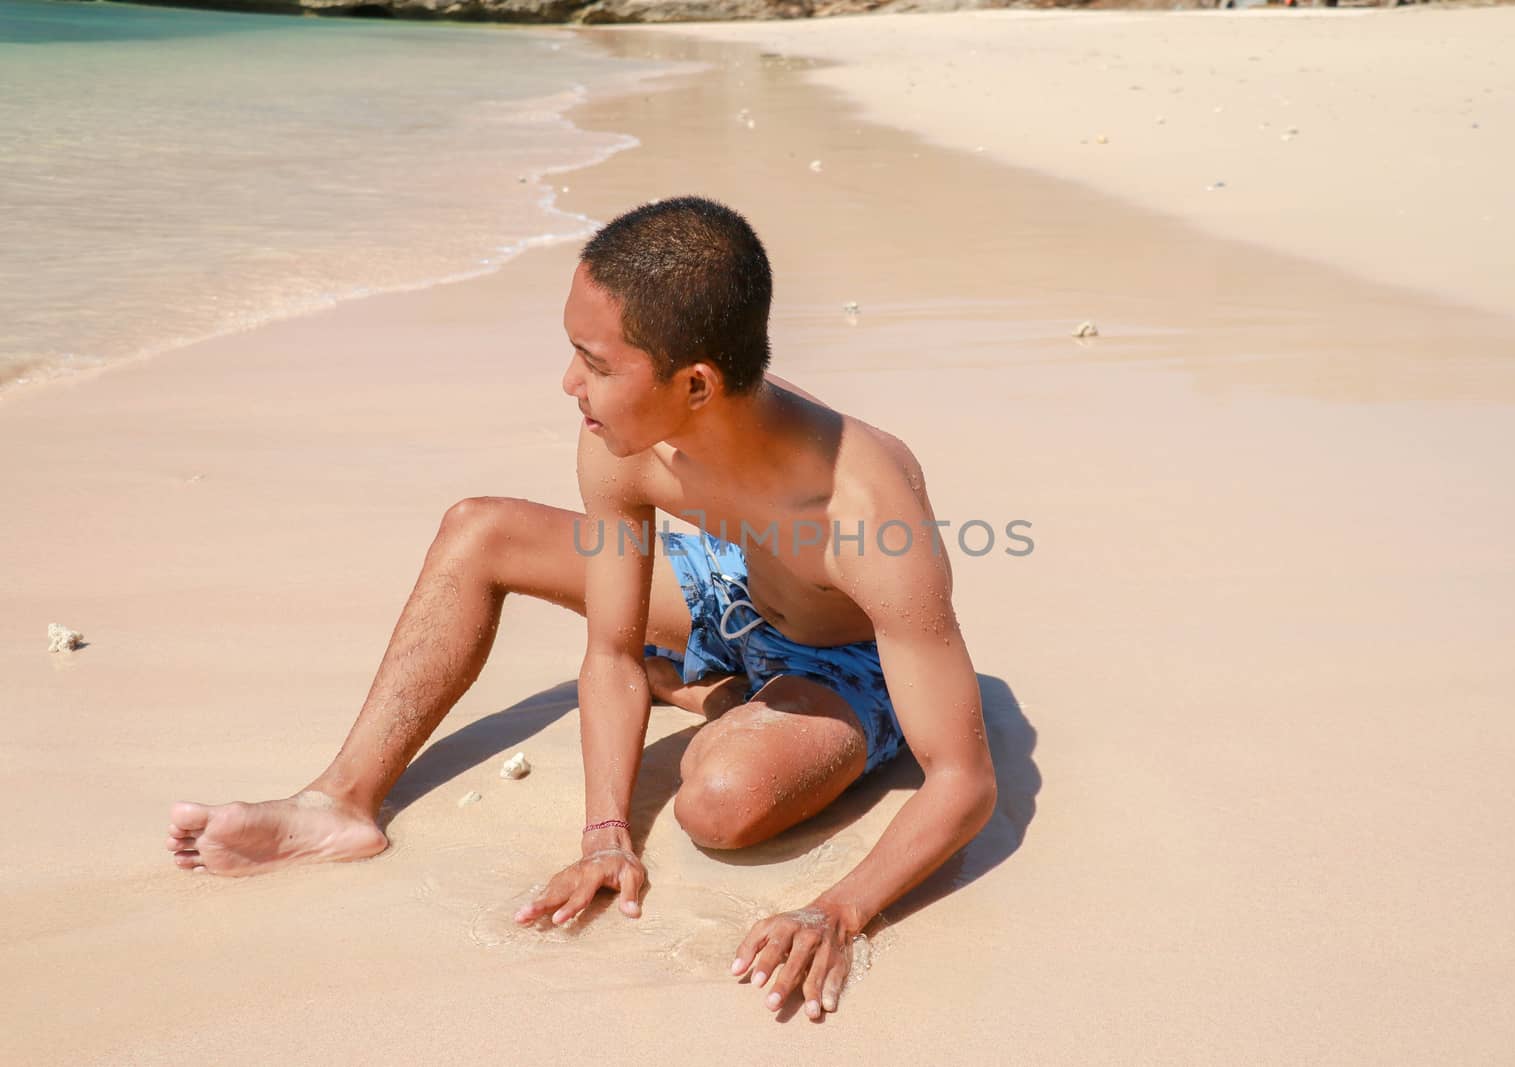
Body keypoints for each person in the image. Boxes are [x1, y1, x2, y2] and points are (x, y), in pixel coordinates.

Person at [164, 196, 997, 1020]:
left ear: (697, 383)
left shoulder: (864, 508)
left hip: (838, 657)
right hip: (728, 580)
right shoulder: (622, 444)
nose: (570, 383)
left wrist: (838, 909)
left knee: (721, 801)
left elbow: (964, 781)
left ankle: (727, 700)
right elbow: (610, 651)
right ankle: (339, 801)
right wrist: (605, 834)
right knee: (479, 531)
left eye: (595, 363)